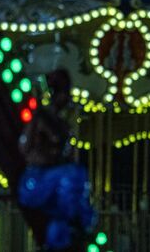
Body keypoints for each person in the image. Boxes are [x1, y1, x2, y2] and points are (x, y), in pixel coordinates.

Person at [18, 69, 96, 250]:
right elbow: (24, 148)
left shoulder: (62, 126)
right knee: (74, 174)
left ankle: (70, 232)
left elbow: (66, 156)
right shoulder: (40, 118)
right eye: (63, 93)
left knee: (61, 217)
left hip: (53, 185)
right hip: (34, 180)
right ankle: (80, 222)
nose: (66, 99)